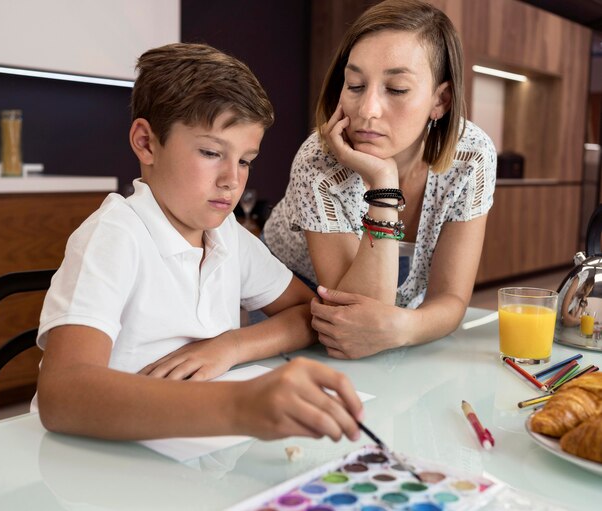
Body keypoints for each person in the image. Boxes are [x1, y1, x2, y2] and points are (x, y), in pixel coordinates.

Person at [34, 42, 363, 443]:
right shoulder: (115, 236)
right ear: (146, 142)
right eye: (211, 152)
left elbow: (308, 313)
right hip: (96, 463)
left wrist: (229, 346)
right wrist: (239, 405)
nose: (232, 180)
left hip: (189, 451)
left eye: (244, 160)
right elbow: (62, 395)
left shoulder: (228, 236)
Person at [263, 0, 497, 359]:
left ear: (441, 100)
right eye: (355, 85)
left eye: (396, 89)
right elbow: (352, 318)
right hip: (290, 308)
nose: (367, 109)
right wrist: (384, 185)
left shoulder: (471, 156)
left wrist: (403, 327)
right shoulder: (319, 161)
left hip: (390, 320)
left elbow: (450, 299)